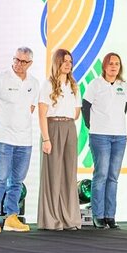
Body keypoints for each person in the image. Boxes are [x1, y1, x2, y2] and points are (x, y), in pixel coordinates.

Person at [0, 47, 39, 233]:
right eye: (16, 59)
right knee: (0, 177)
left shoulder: (33, 83)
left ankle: (11, 217)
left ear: (30, 63)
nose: (19, 64)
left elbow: (30, 108)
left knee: (17, 181)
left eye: (23, 61)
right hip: (3, 138)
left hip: (24, 139)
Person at [82, 52, 127, 229]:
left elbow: (124, 107)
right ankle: (98, 215)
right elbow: (85, 107)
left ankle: (110, 215)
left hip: (119, 137)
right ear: (104, 66)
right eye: (110, 63)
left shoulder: (123, 85)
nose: (114, 66)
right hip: (99, 135)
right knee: (101, 175)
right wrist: (93, 126)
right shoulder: (95, 84)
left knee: (113, 177)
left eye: (117, 63)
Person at [37, 49, 82, 231]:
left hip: (69, 127)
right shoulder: (48, 84)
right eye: (64, 61)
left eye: (70, 61)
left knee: (69, 173)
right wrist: (46, 139)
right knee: (53, 174)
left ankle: (69, 218)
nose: (68, 64)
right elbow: (42, 114)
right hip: (53, 126)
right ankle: (51, 219)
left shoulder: (74, 85)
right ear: (57, 62)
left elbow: (77, 113)